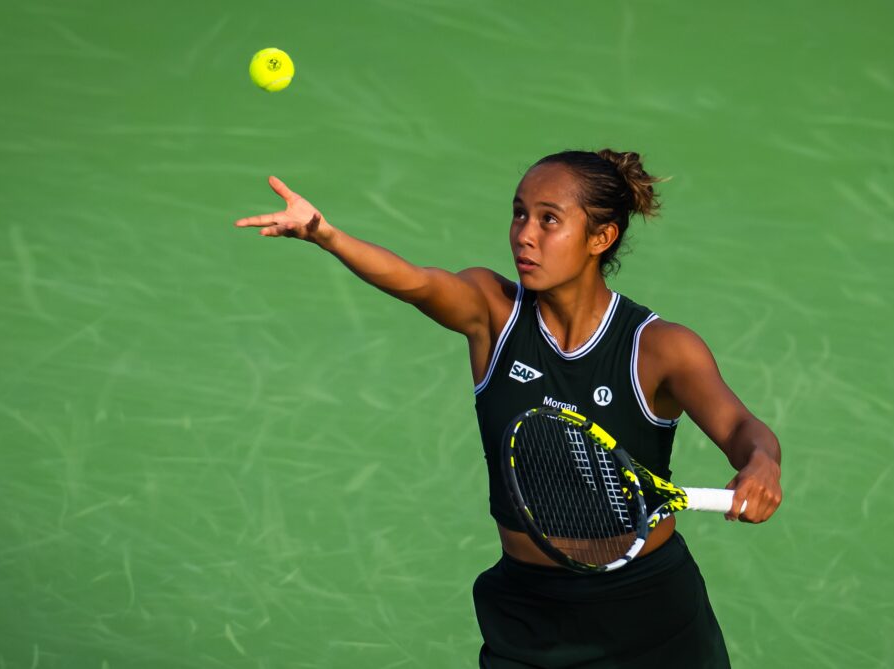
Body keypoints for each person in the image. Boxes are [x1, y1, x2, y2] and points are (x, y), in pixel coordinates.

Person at [234, 149, 783, 668]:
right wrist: (327, 236)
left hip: (648, 613)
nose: (524, 235)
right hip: (528, 613)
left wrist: (762, 464)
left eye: (549, 220)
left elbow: (741, 428)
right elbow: (417, 283)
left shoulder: (659, 347)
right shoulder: (492, 312)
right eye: (519, 214)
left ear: (601, 237)